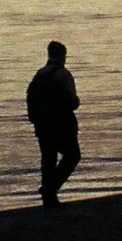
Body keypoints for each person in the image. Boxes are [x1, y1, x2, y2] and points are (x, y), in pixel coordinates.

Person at [26, 40, 81, 207]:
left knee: (48, 159)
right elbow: (73, 102)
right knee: (72, 156)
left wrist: (34, 119)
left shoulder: (40, 74)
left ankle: (48, 196)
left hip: (42, 124)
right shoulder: (63, 74)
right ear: (63, 56)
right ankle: (50, 189)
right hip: (62, 123)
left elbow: (30, 98)